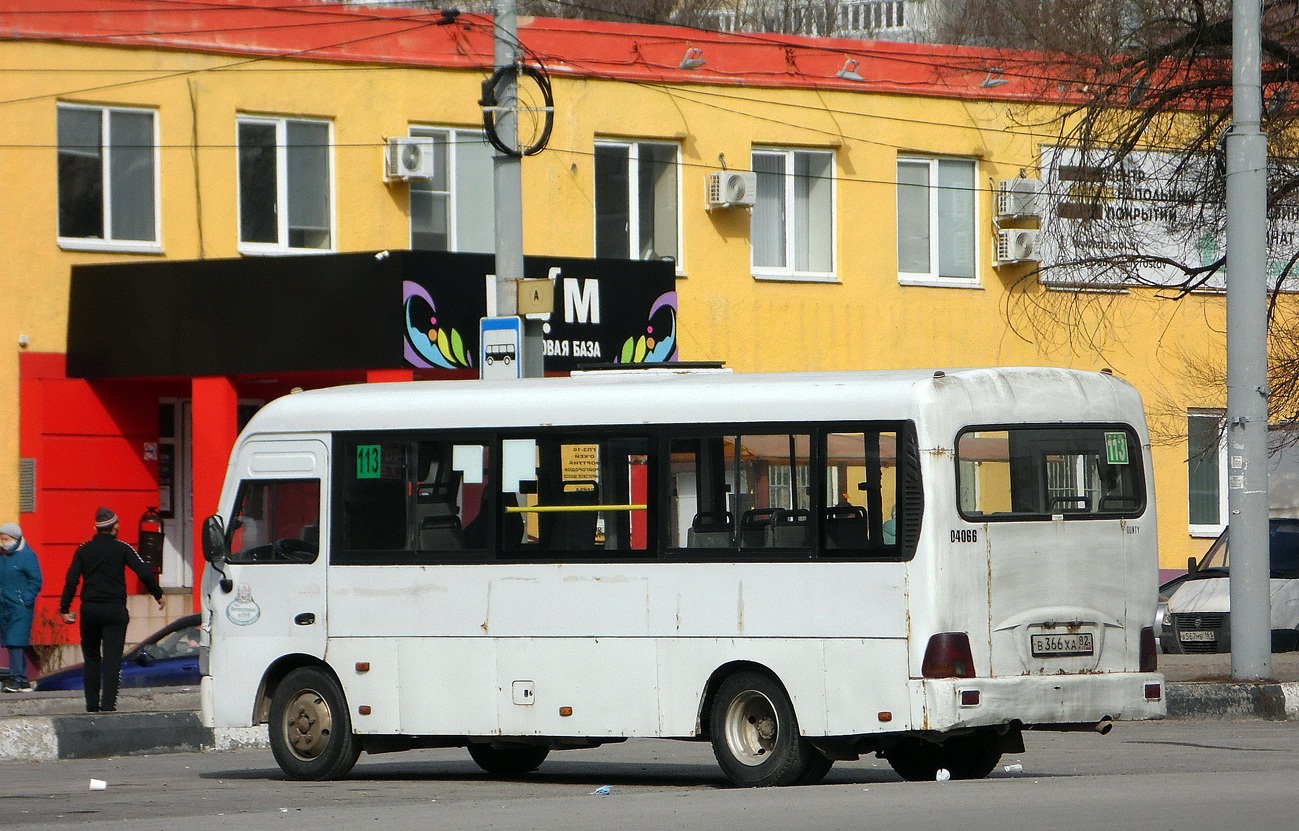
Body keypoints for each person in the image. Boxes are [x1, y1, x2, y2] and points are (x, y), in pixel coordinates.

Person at [59, 507, 164, 713]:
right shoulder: (123, 548)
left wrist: (64, 608)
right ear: (115, 527)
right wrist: (157, 593)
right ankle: (107, 706)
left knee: (91, 659)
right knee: (112, 659)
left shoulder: (83, 550)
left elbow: (71, 580)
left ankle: (91, 706)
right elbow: (144, 571)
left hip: (90, 611)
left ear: (96, 528)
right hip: (115, 610)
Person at [0, 522, 42, 693]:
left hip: (19, 606)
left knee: (15, 640)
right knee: (11, 642)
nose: (3, 542)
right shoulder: (3, 556)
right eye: (1, 539)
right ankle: (22, 680)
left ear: (15, 538)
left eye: (5, 539)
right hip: (5, 605)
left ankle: (17, 678)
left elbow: (36, 580)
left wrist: (25, 599)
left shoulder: (27, 556)